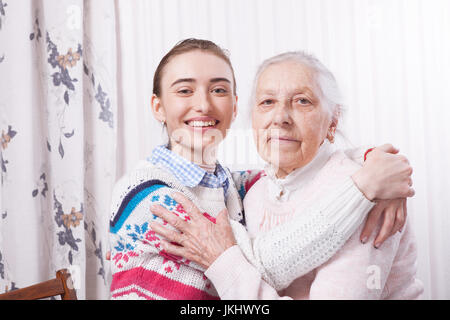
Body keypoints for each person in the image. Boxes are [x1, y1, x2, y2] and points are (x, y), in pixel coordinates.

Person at [109, 39, 414, 300]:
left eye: (218, 90)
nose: (202, 105)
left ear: (235, 106)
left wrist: (376, 164)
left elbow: (306, 170)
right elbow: (263, 262)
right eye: (184, 91)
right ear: (158, 107)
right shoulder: (151, 195)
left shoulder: (234, 184)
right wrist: (363, 188)